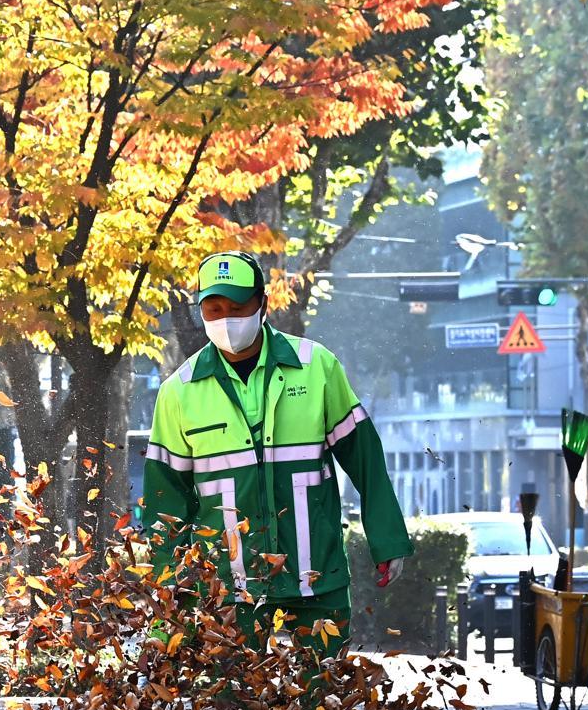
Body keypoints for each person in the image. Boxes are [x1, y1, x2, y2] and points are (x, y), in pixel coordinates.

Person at [139, 251, 410, 660]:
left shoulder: (316, 366)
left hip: (315, 572)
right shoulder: (179, 391)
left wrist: (387, 538)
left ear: (262, 304)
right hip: (225, 587)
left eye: (237, 306)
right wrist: (165, 595)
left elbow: (365, 459)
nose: (226, 318)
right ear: (200, 310)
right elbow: (165, 503)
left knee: (324, 704)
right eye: (214, 308)